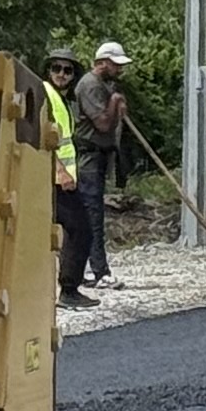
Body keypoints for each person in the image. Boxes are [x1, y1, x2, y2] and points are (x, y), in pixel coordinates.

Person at [72, 42, 134, 287]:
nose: (120, 70)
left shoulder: (104, 86)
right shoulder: (89, 86)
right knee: (91, 214)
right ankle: (99, 272)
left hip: (100, 157)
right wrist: (115, 101)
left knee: (92, 214)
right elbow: (103, 124)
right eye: (116, 65)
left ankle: (86, 270)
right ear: (103, 62)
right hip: (88, 157)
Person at [39, 51, 95, 303]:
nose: (61, 74)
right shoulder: (46, 96)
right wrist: (60, 171)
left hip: (56, 179)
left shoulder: (60, 100)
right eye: (56, 68)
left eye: (67, 70)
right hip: (54, 179)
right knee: (80, 229)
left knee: (67, 231)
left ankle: (62, 289)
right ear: (47, 70)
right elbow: (44, 136)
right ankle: (69, 290)